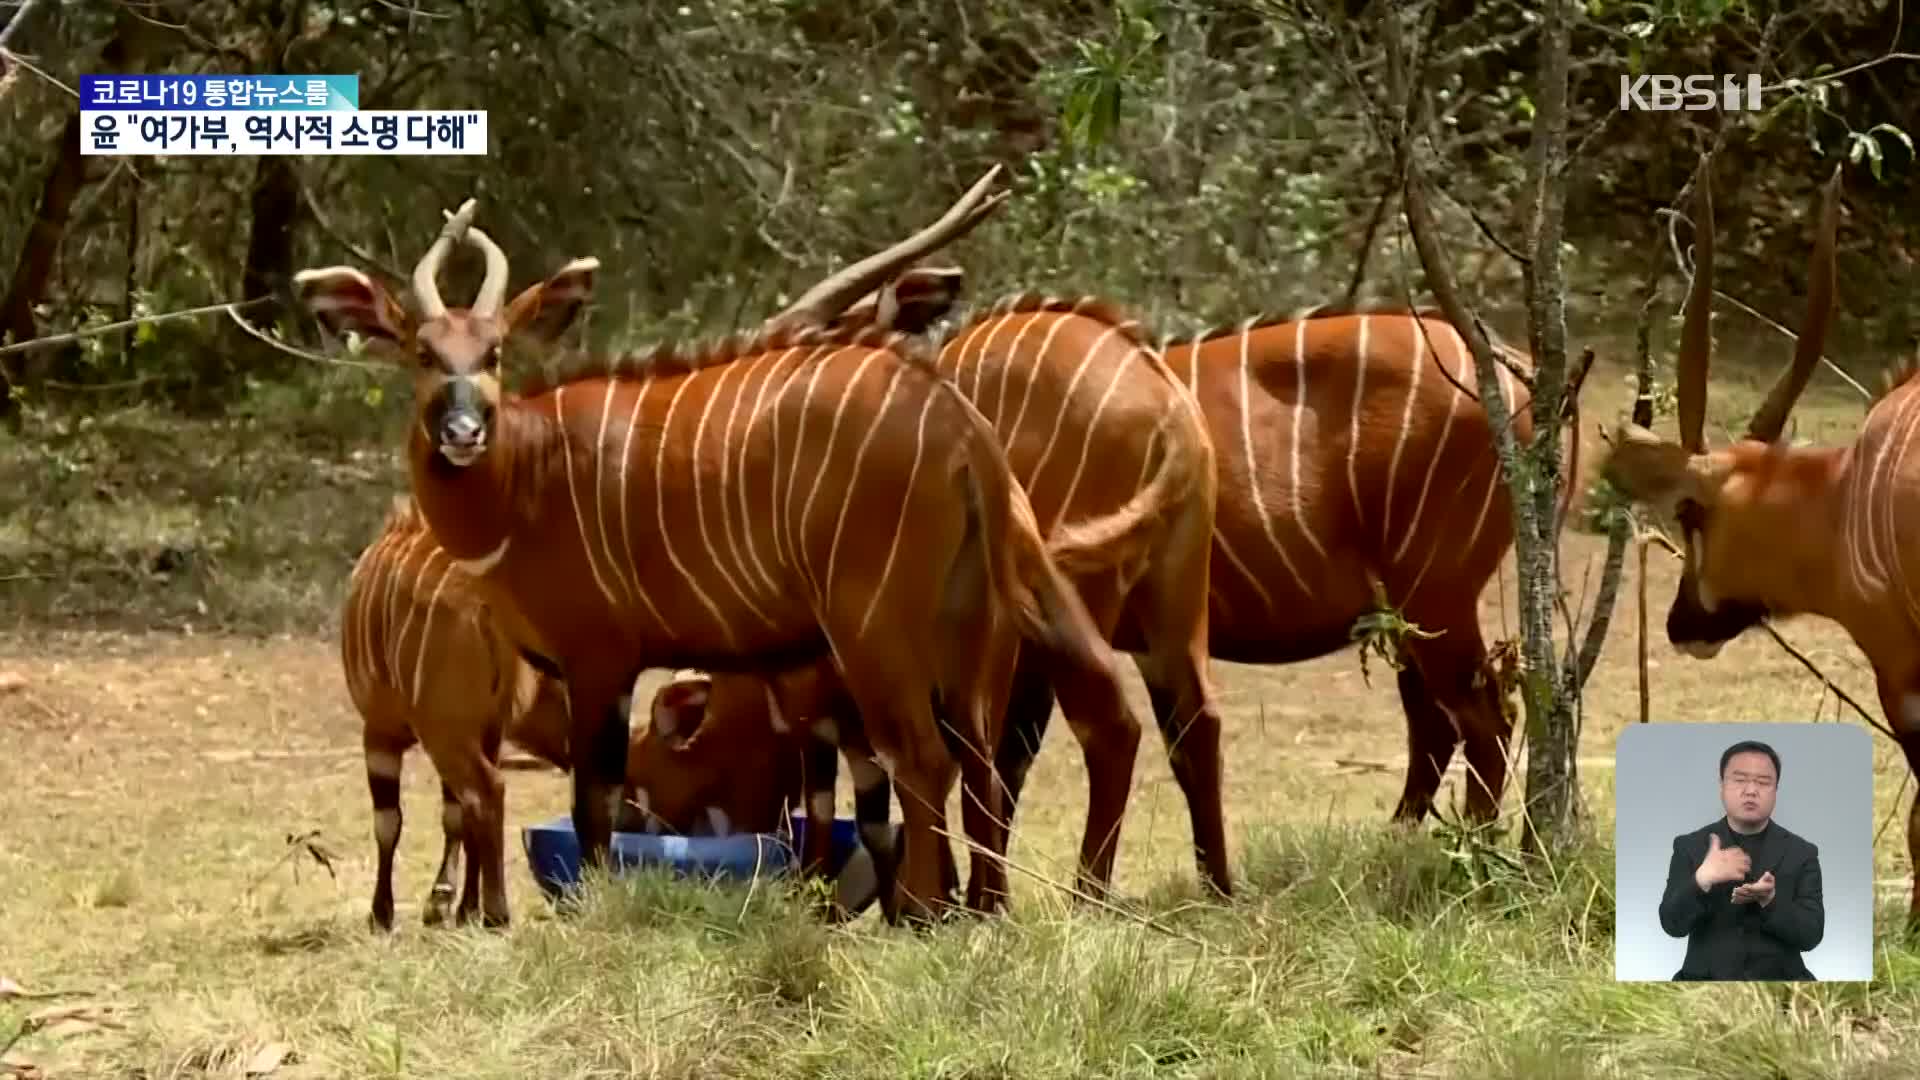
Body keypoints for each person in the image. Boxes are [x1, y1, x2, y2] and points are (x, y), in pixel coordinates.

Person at [1657, 739, 1825, 980]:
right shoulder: (1690, 846)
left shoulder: (1802, 853)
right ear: (1722, 786)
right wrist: (1701, 880)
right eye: (1739, 780)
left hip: (1783, 984)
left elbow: (1811, 936)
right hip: (1704, 985)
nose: (1751, 790)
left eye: (1763, 782)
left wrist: (1771, 901)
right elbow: (1672, 925)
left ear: (1776, 790)